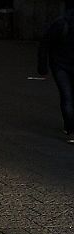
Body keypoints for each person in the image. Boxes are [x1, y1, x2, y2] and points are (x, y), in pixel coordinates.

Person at [37, 8, 74, 142]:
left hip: (60, 66)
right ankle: (70, 126)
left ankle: (70, 128)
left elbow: (45, 44)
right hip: (62, 65)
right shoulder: (61, 24)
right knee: (68, 97)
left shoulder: (61, 23)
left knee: (66, 96)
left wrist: (42, 66)